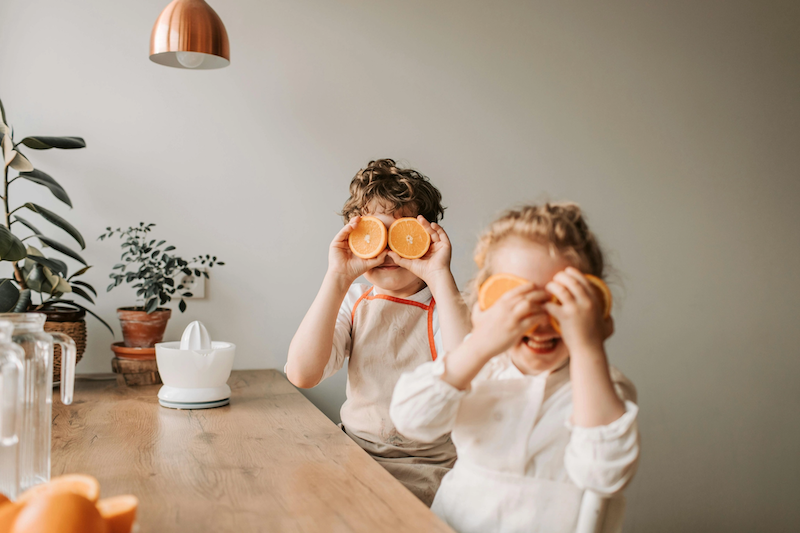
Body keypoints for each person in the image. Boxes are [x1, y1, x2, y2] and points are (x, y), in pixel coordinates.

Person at [390, 203, 640, 532]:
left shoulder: (602, 388)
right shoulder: (479, 366)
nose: (539, 322)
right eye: (517, 301)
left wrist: (587, 347)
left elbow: (604, 475)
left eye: (562, 301)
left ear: (596, 311)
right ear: (486, 305)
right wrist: (480, 342)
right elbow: (411, 421)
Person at [286, 159, 471, 506]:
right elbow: (302, 374)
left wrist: (439, 276)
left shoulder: (448, 307)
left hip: (432, 468)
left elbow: (470, 374)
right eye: (374, 233)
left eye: (402, 235)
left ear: (426, 237)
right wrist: (337, 278)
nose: (386, 250)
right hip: (353, 457)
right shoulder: (355, 299)